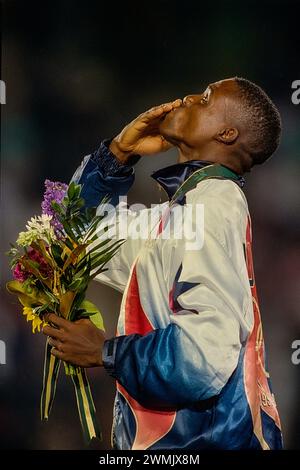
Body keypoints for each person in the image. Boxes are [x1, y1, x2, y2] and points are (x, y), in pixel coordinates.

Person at [43, 77, 283, 450]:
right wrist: (118, 154)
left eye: (205, 98)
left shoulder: (212, 206)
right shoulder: (180, 213)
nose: (187, 97)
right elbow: (70, 237)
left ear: (227, 133)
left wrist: (105, 352)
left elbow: (205, 355)